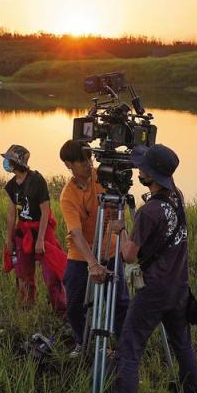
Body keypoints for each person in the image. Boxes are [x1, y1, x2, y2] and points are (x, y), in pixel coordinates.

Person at [102, 144, 197, 393]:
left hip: (154, 291)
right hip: (178, 286)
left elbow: (128, 256)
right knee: (182, 343)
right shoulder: (176, 197)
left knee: (129, 348)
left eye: (142, 168)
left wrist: (120, 231)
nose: (138, 171)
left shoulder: (148, 212)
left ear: (149, 174)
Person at [58, 139, 129, 357]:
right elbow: (75, 233)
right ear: (69, 164)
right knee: (74, 305)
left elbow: (122, 203)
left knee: (120, 302)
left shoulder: (104, 176)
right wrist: (93, 263)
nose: (88, 164)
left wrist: (122, 227)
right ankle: (83, 342)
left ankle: (124, 347)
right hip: (81, 254)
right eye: (81, 161)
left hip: (110, 248)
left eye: (89, 158)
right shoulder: (68, 195)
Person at [2, 144, 67, 315]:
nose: (6, 163)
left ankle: (59, 309)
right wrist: (9, 239)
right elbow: (11, 215)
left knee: (52, 272)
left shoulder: (37, 181)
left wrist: (40, 240)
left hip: (41, 231)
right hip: (23, 231)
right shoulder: (11, 186)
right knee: (23, 273)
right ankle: (27, 307)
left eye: (9, 160)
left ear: (18, 162)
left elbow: (46, 211)